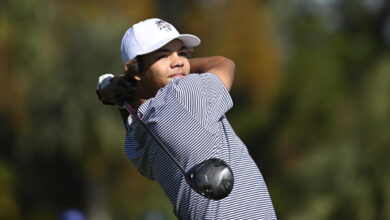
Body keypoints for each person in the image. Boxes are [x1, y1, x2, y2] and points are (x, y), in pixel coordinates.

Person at [96, 18, 277, 219]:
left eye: (182, 53)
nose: (179, 61)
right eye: (163, 56)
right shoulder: (183, 95)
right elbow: (223, 63)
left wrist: (120, 92)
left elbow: (133, 114)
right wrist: (121, 83)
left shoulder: (135, 141)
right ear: (134, 70)